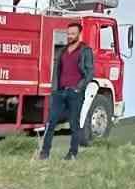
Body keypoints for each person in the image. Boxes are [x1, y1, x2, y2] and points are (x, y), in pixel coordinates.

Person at [38, 21, 95, 161]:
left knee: (74, 124)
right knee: (50, 122)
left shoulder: (85, 51)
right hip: (60, 92)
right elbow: (58, 72)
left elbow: (90, 73)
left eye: (73, 34)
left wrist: (78, 88)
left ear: (79, 34)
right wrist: (54, 90)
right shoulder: (63, 51)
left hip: (75, 93)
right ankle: (44, 153)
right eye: (68, 34)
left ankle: (72, 154)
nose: (70, 36)